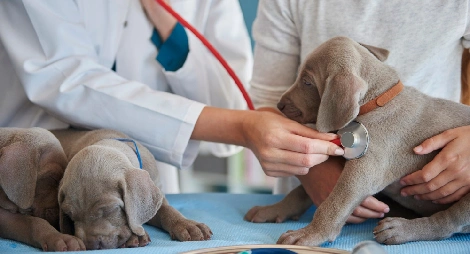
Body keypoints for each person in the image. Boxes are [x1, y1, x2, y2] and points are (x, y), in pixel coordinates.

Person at [0, 0, 343, 193]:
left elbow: (234, 112)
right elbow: (65, 79)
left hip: (145, 188)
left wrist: (173, 36)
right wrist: (240, 126)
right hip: (37, 172)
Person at [250, 0, 470, 223]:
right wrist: (314, 169)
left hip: (445, 194)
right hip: (316, 182)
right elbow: (267, 100)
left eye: (307, 83)